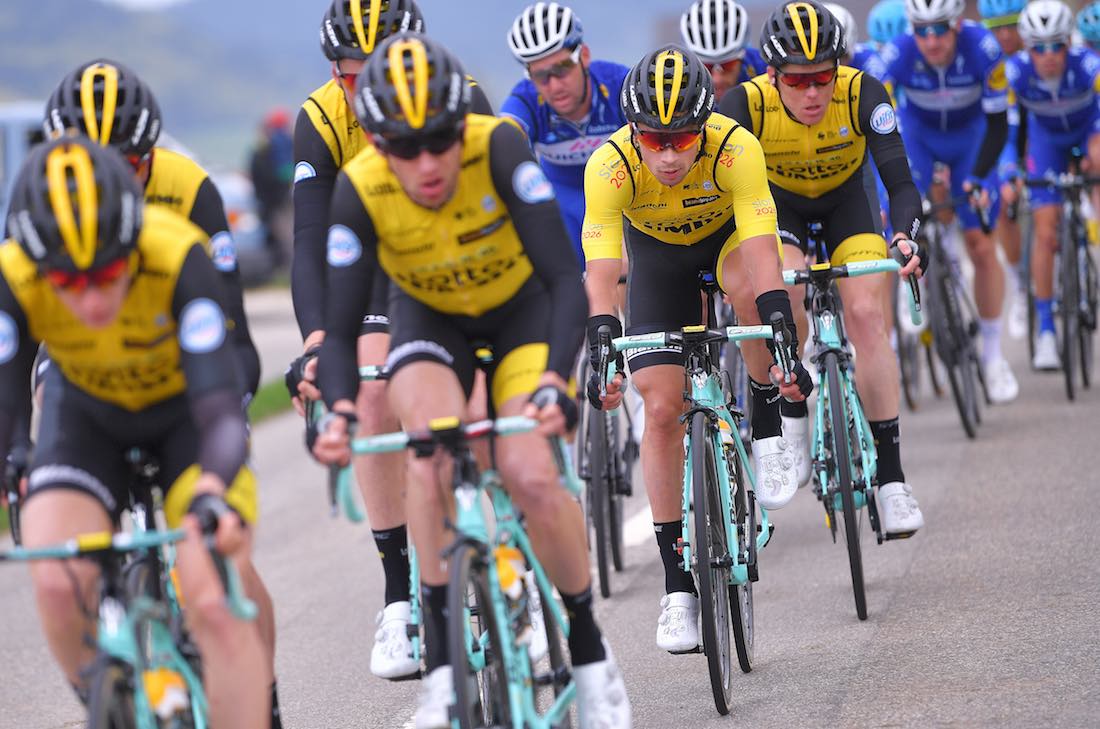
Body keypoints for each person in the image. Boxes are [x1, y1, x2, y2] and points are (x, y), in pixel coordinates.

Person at [311, 33, 631, 729]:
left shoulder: (500, 149)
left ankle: (589, 650)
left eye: (440, 141)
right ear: (375, 142)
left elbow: (564, 284)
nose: (426, 163)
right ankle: (446, 674)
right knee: (425, 454)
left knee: (528, 469)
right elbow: (337, 332)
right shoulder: (359, 186)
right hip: (430, 318)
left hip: (521, 313)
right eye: (404, 146)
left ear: (464, 126)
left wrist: (552, 380)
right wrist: (337, 409)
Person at [0, 137, 268, 727]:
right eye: (68, 284)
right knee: (54, 580)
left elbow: (222, 410)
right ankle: (111, 703)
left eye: (109, 274)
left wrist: (212, 491)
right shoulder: (15, 274)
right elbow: (6, 407)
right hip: (88, 419)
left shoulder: (176, 255)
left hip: (186, 419)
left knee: (212, 597)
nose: (91, 299)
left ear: (132, 245)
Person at [582, 44, 811, 653]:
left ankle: (765, 422)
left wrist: (777, 322)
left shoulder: (735, 146)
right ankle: (676, 583)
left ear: (704, 127)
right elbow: (603, 263)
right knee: (660, 409)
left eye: (682, 140)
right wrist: (602, 327)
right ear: (633, 132)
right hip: (657, 261)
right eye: (653, 140)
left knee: (753, 294)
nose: (667, 155)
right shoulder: (609, 165)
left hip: (727, 243)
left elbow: (763, 246)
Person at [289, 0, 491, 681]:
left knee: (487, 414)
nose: (363, 90)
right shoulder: (321, 119)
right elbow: (310, 241)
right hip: (373, 270)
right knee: (374, 404)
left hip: (456, 260)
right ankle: (400, 594)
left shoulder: (461, 99)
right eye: (350, 77)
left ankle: (510, 546)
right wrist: (319, 342)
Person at [720, 0, 927, 537]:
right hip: (780, 208)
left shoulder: (863, 92)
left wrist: (904, 235)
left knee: (866, 315)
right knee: (782, 294)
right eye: (798, 81)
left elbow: (900, 184)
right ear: (772, 74)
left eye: (822, 79)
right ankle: (792, 415)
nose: (813, 94)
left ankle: (893, 480)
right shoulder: (746, 103)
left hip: (846, 206)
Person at [43, 59, 261, 400]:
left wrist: (233, 404)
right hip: (80, 339)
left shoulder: (189, 186)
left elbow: (232, 323)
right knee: (49, 394)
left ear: (150, 157)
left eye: (125, 166)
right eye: (88, 168)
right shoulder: (39, 194)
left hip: (170, 338)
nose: (110, 184)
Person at [880, 0, 1019, 403]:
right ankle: (912, 281)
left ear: (957, 24)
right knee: (907, 216)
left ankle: (992, 357)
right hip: (919, 137)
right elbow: (879, 124)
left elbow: (997, 124)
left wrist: (978, 178)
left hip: (972, 138)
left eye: (940, 29)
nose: (931, 40)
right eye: (921, 30)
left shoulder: (984, 49)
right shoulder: (898, 54)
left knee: (979, 243)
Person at [1005, 0, 1100, 370]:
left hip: (1088, 132)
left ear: (1068, 44)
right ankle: (1046, 329)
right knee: (1045, 232)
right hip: (1045, 144)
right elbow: (1009, 129)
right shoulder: (1015, 72)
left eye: (1056, 46)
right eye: (1038, 48)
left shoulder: (1089, 65)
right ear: (1028, 48)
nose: (1048, 56)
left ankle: (1090, 216)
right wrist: (1010, 170)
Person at [501, 3, 629, 263]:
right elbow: (503, 137)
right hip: (565, 208)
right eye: (540, 75)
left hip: (622, 200)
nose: (554, 85)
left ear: (583, 56)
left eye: (561, 68)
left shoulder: (619, 85)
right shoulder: (525, 100)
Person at [979, 0, 1030, 340]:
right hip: (1007, 138)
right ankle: (1021, 287)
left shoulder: (1041, 50)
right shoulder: (988, 61)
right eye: (996, 27)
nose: (1006, 35)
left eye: (1012, 25)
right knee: (1005, 212)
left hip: (1041, 133)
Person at [680, 0, 767, 100]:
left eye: (727, 65)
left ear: (743, 55)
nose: (717, 79)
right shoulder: (677, 82)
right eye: (706, 67)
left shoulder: (765, 70)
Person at [249, 108, 294, 269]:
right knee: (287, 234)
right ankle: (287, 267)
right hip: (283, 198)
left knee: (284, 235)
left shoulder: (262, 150)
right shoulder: (288, 143)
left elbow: (259, 177)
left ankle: (286, 267)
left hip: (273, 202)